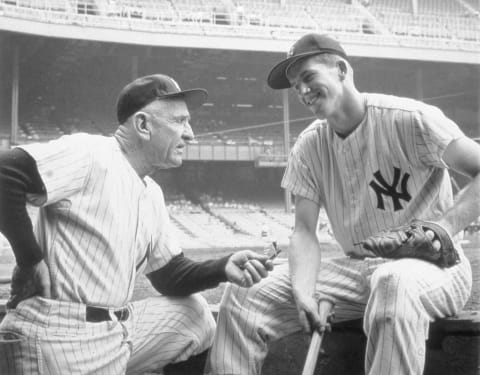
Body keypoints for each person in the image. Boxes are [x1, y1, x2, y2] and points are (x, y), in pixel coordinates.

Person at [207, 33, 480, 375]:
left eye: (308, 77)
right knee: (245, 294)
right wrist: (303, 291)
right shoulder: (308, 146)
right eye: (295, 86)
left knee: (392, 281)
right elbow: (304, 231)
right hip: (356, 270)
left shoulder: (410, 118)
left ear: (341, 69)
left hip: (433, 268)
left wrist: (444, 228)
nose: (302, 91)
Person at [0, 74, 273, 374]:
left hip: (115, 333)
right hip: (59, 334)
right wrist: (30, 259)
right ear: (143, 125)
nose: (190, 134)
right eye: (180, 122)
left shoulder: (151, 193)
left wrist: (222, 267)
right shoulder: (92, 153)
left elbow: (170, 274)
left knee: (193, 315)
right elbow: (5, 172)